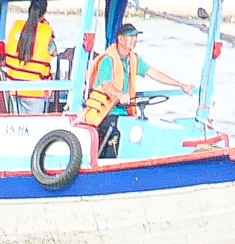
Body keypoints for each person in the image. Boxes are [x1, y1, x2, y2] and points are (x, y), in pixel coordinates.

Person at [81, 23, 189, 155]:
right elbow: (107, 86)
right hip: (105, 113)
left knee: (142, 127)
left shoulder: (133, 59)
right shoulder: (107, 60)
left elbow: (154, 73)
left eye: (135, 37)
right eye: (131, 37)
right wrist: (120, 95)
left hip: (124, 112)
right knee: (121, 133)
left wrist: (180, 84)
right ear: (120, 39)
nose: (134, 40)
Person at [0, 0, 61, 110]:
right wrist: (45, 26)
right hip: (35, 92)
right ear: (44, 12)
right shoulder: (45, 31)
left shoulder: (17, 27)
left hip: (13, 89)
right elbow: (54, 52)